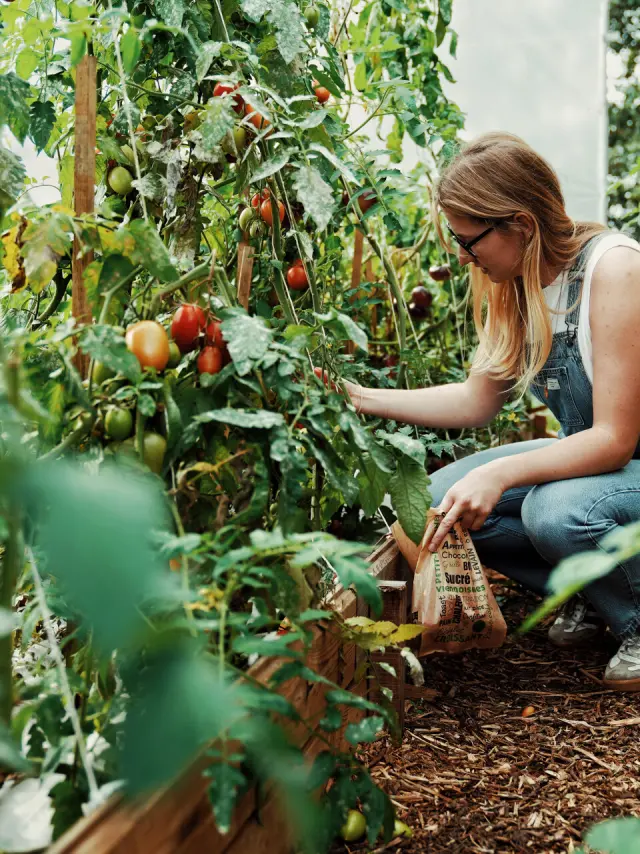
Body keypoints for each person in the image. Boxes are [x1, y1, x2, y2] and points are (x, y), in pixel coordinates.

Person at [320, 132, 640, 691]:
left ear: (519, 223)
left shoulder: (614, 270)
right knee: (437, 510)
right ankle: (594, 593)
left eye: (471, 242)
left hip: (621, 459)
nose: (464, 257)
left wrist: (497, 473)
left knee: (551, 511)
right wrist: (357, 397)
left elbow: (614, 438)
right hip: (602, 469)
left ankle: (634, 619)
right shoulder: (517, 285)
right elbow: (476, 400)